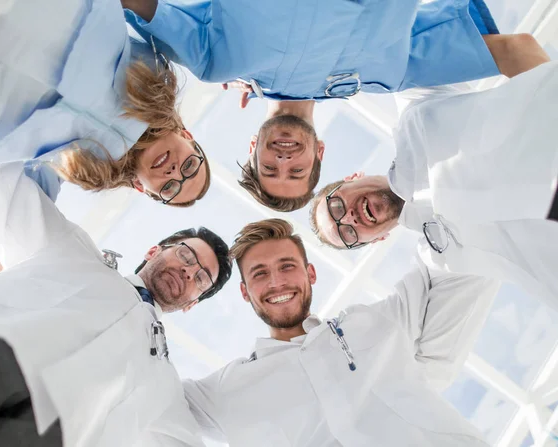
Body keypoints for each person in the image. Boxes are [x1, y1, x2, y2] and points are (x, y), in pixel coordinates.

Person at [124, 0, 548, 211]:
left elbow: (141, 6)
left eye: (270, 168)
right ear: (319, 152)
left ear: (254, 143)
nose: (284, 160)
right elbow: (514, 51)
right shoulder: (390, 75)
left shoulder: (214, 63)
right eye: (297, 170)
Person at [0, 160, 232, 446]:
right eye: (187, 256)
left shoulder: (165, 388)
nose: (189, 271)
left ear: (192, 304)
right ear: (154, 251)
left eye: (201, 279)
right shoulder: (70, 248)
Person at [183, 218, 500, 446]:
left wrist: (400, 209)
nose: (276, 282)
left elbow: (452, 262)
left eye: (287, 266)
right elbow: (145, 393)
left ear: (311, 273)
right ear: (244, 291)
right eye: (260, 273)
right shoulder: (226, 390)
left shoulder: (370, 323)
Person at [309, 55, 558, 311]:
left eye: (337, 207)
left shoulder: (414, 111)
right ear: (376, 240)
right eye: (348, 234)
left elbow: (508, 49)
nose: (349, 219)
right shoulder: (442, 260)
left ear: (353, 178)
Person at [0, 0, 210, 207]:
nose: (175, 173)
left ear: (141, 188)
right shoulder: (159, 77)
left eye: (170, 188)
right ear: (187, 135)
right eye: (189, 165)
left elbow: (31, 204)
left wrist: (10, 250)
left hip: (0, 116)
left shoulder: (90, 170)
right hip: (57, 28)